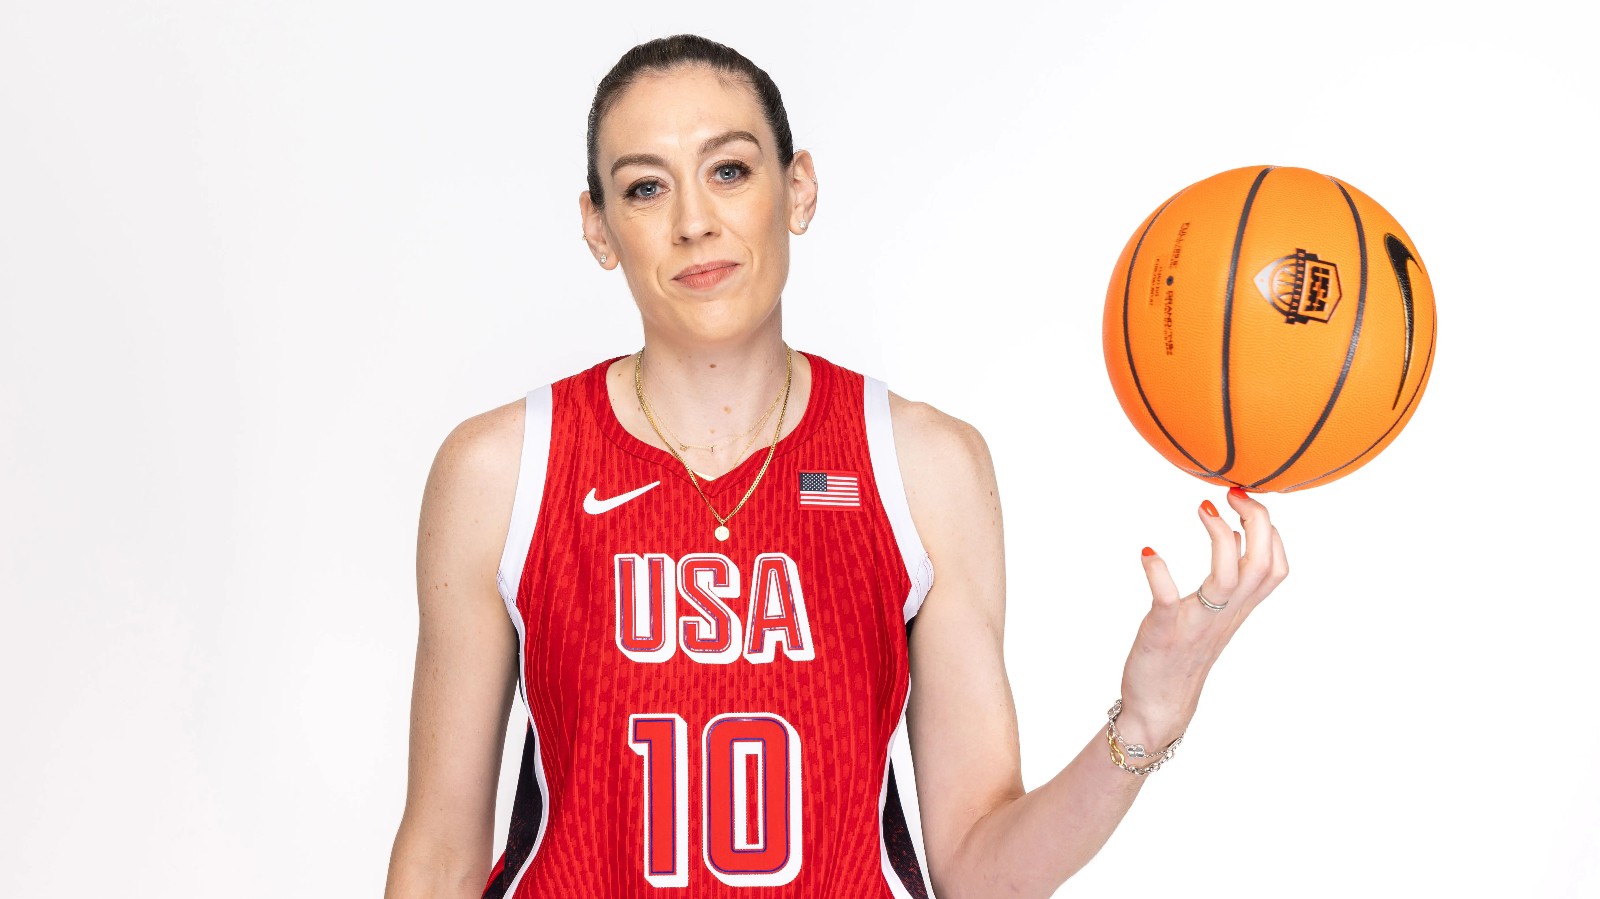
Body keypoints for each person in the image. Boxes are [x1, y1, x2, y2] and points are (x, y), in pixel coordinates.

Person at [383, 34, 1289, 899]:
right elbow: (439, 857)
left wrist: (1145, 719)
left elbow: (980, 874)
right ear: (599, 228)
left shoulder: (922, 465)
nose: (694, 222)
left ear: (798, 189)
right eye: (646, 188)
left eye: (730, 170)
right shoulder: (503, 470)